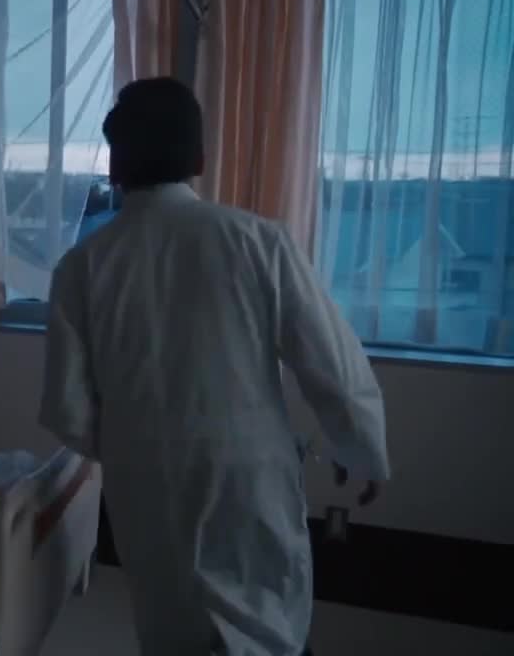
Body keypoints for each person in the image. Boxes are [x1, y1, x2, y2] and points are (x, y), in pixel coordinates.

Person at [38, 77, 390, 656]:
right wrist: (363, 449)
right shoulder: (258, 241)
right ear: (199, 159)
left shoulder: (81, 267)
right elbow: (332, 364)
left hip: (146, 479)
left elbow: (66, 411)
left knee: (173, 622)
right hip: (248, 474)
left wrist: (135, 443)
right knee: (264, 626)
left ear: (116, 164)